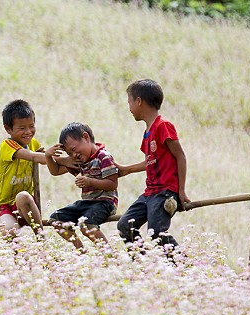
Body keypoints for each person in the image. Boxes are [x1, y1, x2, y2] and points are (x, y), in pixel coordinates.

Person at [116, 79, 191, 252]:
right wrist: (126, 170)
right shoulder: (147, 133)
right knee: (125, 225)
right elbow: (151, 161)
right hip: (150, 193)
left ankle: (182, 267)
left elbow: (180, 156)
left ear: (139, 101)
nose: (129, 107)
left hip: (165, 192)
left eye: (129, 101)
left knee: (157, 233)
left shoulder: (163, 126)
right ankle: (145, 265)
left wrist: (180, 191)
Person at [43, 122, 119, 252]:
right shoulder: (81, 161)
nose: (73, 155)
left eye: (73, 149)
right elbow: (55, 171)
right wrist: (48, 156)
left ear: (86, 137)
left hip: (105, 202)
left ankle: (109, 254)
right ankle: (81, 252)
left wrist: (90, 182)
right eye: (69, 153)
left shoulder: (103, 157)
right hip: (87, 203)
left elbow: (112, 183)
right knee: (55, 220)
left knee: (86, 225)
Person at [0, 99, 55, 240]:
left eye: (31, 126)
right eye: (22, 128)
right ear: (8, 129)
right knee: (11, 232)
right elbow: (34, 156)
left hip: (25, 205)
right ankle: (21, 259)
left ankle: (41, 239)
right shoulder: (7, 145)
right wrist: (50, 156)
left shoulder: (34, 143)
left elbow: (46, 160)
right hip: (5, 206)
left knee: (23, 196)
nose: (28, 132)